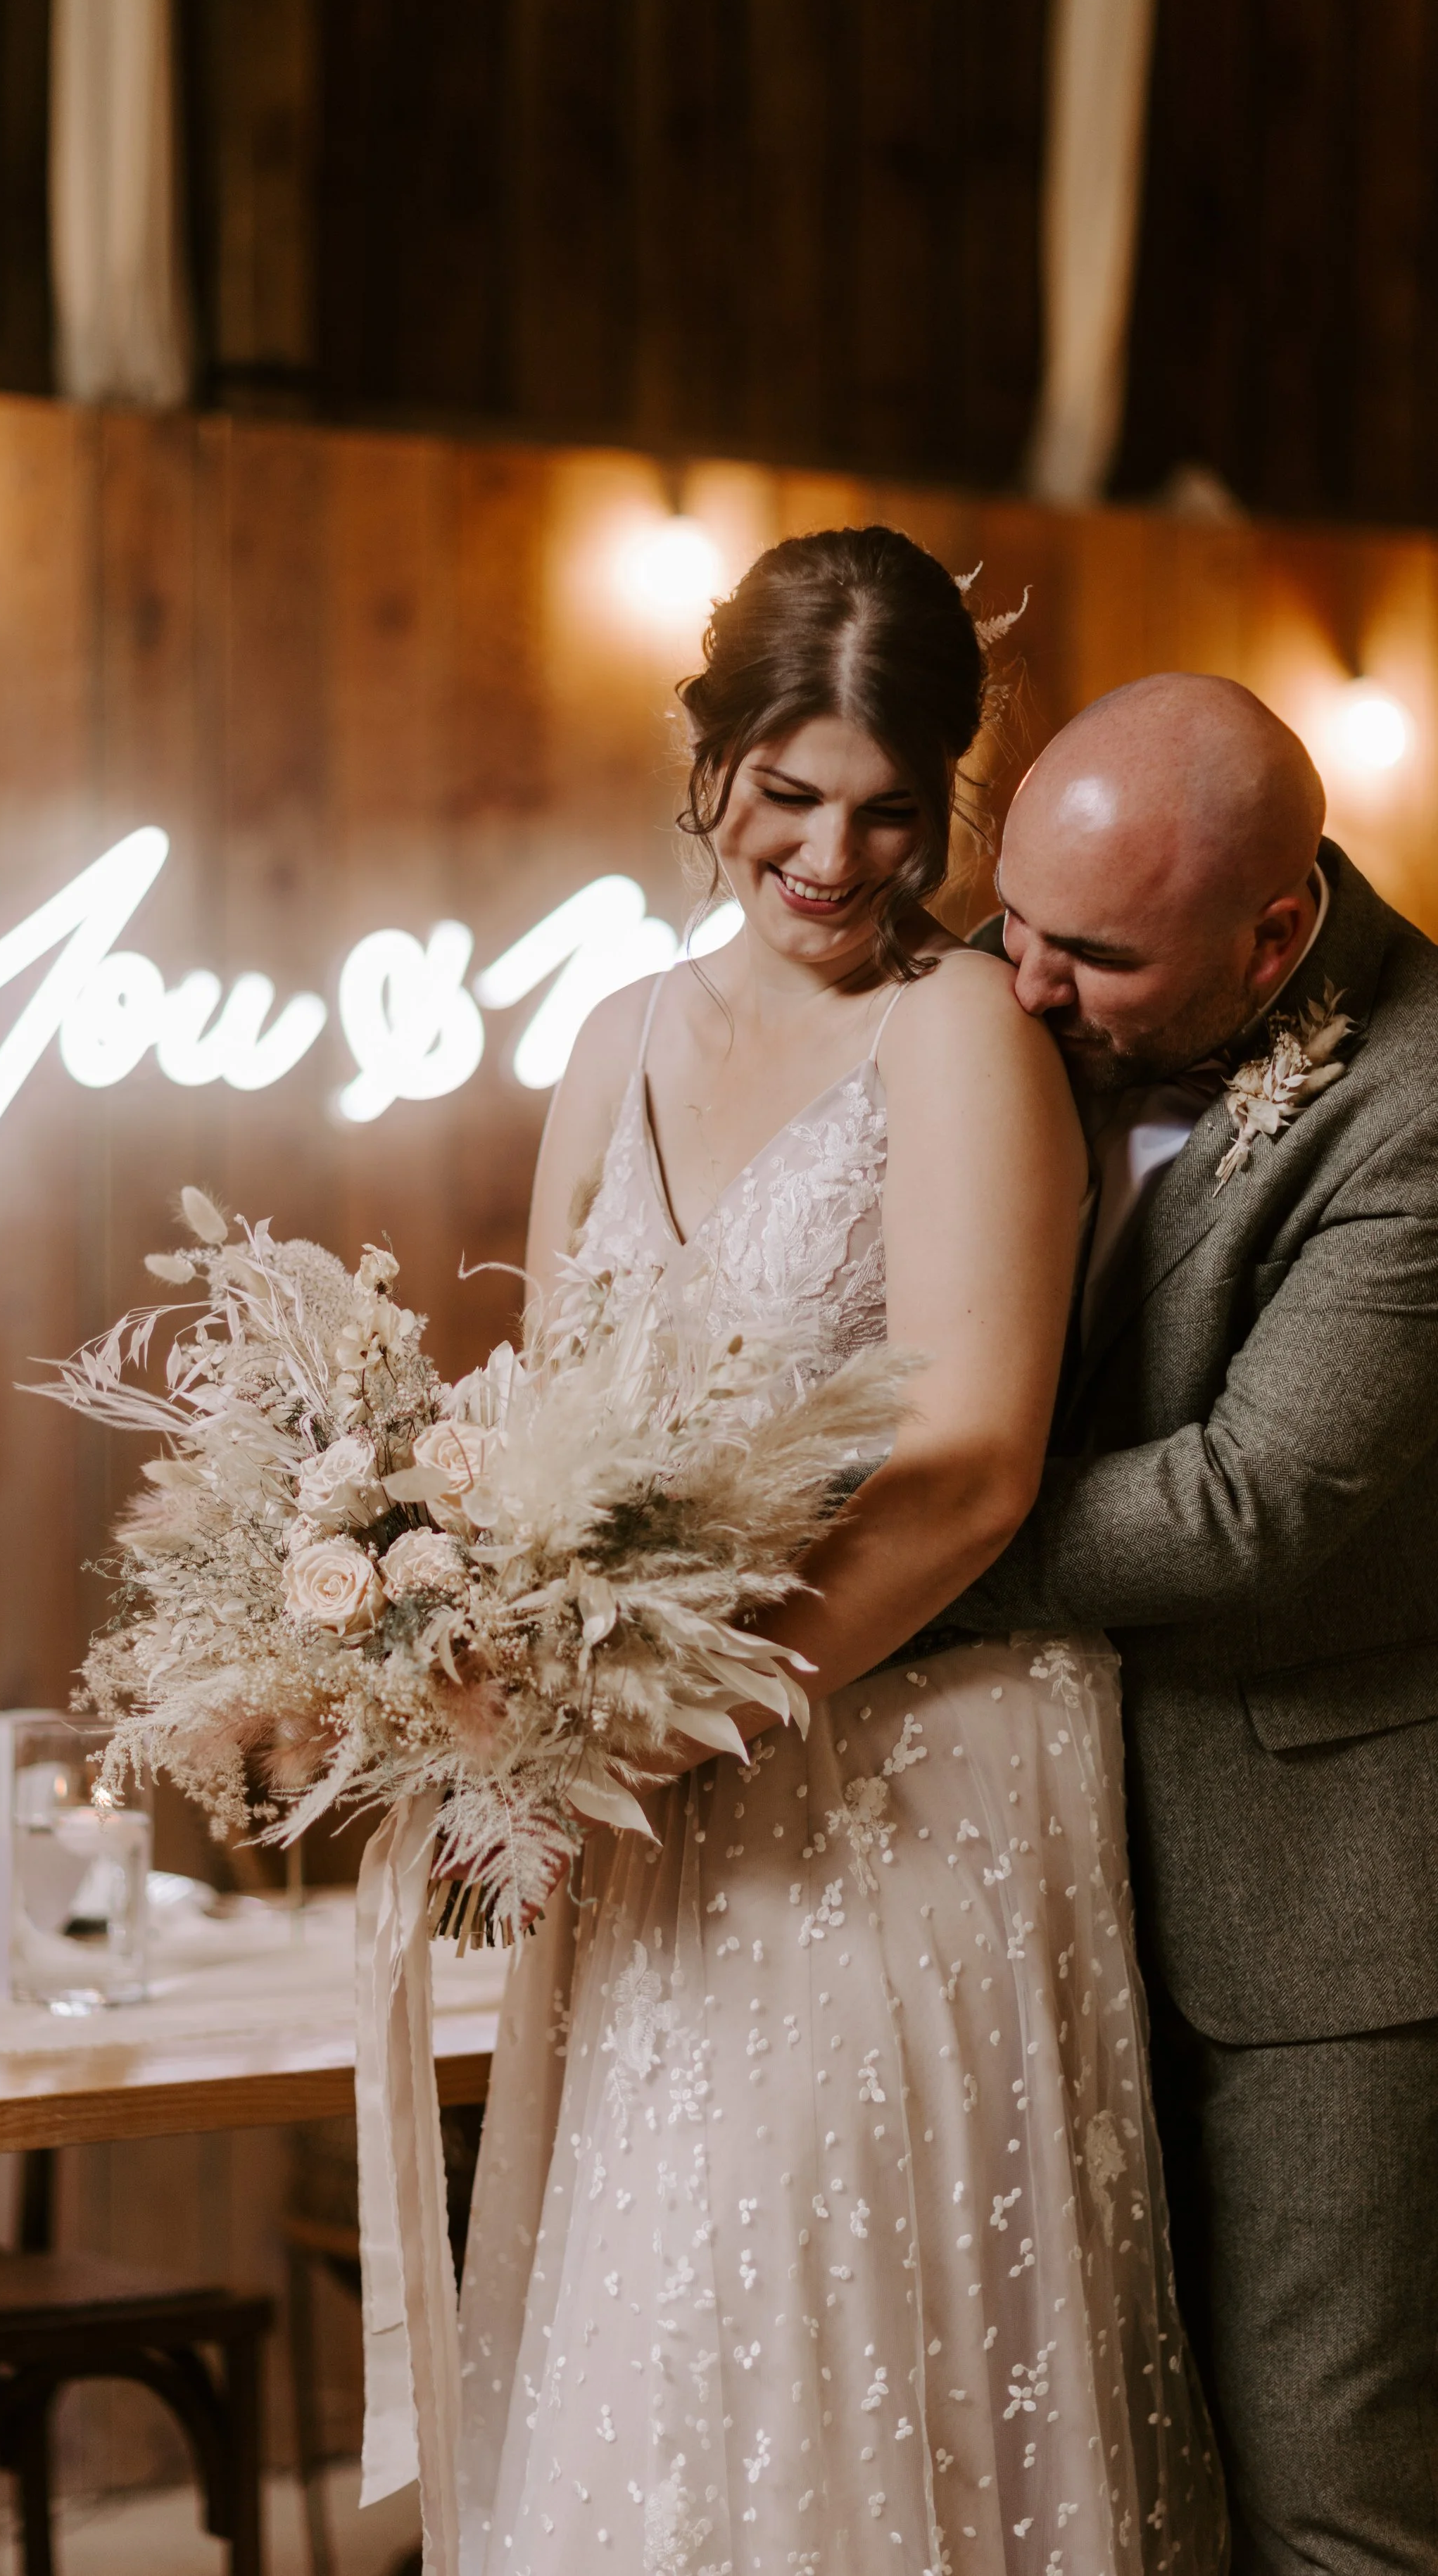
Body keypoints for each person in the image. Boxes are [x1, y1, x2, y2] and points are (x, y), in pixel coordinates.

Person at [455, 531, 1224, 2575]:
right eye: (784, 795)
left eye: (890, 813)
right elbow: (544, 1437)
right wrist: (496, 1689)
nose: (829, 857)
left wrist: (663, 1720)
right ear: (703, 754)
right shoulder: (609, 1038)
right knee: (657, 2367)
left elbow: (971, 1469)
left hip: (890, 1794)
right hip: (659, 1818)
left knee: (814, 2353)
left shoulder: (957, 1031)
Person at [950, 672, 1438, 2575]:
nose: (1026, 990)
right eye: (1009, 925)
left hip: (1327, 1920)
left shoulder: (1412, 1109)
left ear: (1274, 928)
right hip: (1041, 1874)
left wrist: (892, 1551)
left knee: (1329, 2489)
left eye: (1089, 954)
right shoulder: (1024, 1013)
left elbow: (1257, 1506)